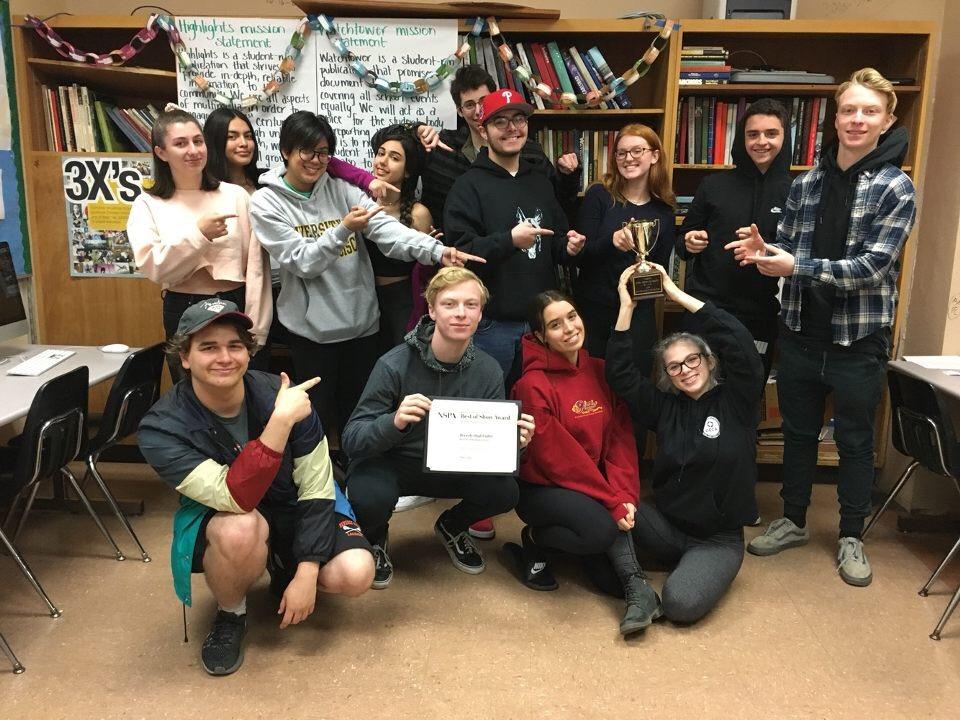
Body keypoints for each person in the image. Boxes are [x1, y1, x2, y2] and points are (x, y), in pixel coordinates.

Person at [730, 69, 917, 587]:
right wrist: (763, 251)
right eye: (850, 110)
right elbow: (789, 246)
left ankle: (851, 534)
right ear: (836, 119)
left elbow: (872, 267)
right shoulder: (808, 182)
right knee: (797, 432)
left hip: (858, 340)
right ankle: (792, 518)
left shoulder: (896, 187)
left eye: (870, 112)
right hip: (801, 332)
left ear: (887, 121)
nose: (858, 120)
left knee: (855, 439)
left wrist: (796, 266)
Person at [138, 298, 374, 676]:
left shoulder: (288, 396)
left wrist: (308, 571)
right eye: (208, 347)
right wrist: (279, 422)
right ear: (184, 356)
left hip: (293, 505)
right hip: (229, 518)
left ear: (248, 353)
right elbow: (236, 497)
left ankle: (285, 566)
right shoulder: (161, 428)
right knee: (242, 525)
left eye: (234, 346)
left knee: (357, 571)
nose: (224, 357)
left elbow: (316, 485)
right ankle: (231, 614)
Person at [249, 111, 481, 448]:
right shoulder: (266, 202)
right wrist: (343, 229)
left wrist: (435, 250)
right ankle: (320, 484)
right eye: (307, 151)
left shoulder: (342, 187)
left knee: (358, 413)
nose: (316, 161)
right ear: (285, 151)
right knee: (315, 417)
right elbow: (302, 262)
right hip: (312, 332)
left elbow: (386, 231)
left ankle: (355, 473)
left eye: (323, 153)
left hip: (361, 325)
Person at [443, 89, 586, 540]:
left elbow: (557, 234)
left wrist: (568, 245)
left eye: (519, 120)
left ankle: (530, 487)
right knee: (488, 410)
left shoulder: (539, 177)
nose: (512, 129)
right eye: (501, 121)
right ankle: (481, 502)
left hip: (542, 324)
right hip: (495, 324)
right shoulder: (469, 184)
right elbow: (459, 252)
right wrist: (508, 240)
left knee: (537, 412)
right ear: (482, 129)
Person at [341, 268, 535, 589]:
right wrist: (394, 422)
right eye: (450, 304)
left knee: (504, 491)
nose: (461, 313)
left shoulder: (487, 370)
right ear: (431, 310)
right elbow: (352, 440)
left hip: (454, 464)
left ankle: (451, 525)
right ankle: (375, 536)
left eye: (470, 305)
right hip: (395, 461)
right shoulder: (393, 364)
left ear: (480, 312)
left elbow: (492, 451)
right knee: (367, 495)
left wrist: (515, 444)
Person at [606, 262, 763, 623]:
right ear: (668, 375)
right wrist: (626, 306)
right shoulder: (665, 408)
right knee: (608, 502)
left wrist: (674, 293)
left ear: (708, 362)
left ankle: (680, 570)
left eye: (692, 359)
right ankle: (637, 583)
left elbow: (738, 342)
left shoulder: (738, 400)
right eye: (674, 366)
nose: (686, 370)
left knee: (680, 605)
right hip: (666, 526)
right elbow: (621, 375)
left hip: (717, 540)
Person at [506, 291, 660, 635]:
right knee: (602, 530)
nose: (569, 328)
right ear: (541, 336)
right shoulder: (532, 384)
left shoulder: (602, 371)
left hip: (592, 483)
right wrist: (611, 502)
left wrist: (623, 494)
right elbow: (557, 458)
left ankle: (632, 588)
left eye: (572, 317)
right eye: (555, 325)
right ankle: (536, 538)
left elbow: (620, 439)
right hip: (544, 487)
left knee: (608, 582)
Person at [203, 107, 395, 369]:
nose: (243, 143)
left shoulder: (261, 180)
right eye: (232, 136)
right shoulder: (254, 197)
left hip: (288, 293)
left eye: (248, 135)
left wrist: (367, 180)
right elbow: (303, 261)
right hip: (242, 291)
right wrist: (344, 227)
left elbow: (329, 161)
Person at [126, 107, 271, 382]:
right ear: (161, 152)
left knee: (240, 392)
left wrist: (258, 326)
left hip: (235, 303)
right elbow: (155, 268)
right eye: (180, 144)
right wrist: (199, 235)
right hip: (182, 304)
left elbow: (256, 269)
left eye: (198, 141)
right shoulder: (148, 204)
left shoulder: (236, 196)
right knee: (190, 396)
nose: (193, 150)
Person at [678, 98, 793, 380]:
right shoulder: (713, 185)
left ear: (784, 138)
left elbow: (801, 254)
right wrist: (689, 242)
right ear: (742, 139)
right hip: (706, 309)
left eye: (771, 134)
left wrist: (766, 250)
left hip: (759, 314)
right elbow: (681, 242)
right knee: (698, 388)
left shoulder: (796, 191)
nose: (761, 142)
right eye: (753, 134)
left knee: (748, 391)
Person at [417, 64, 581, 232]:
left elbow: (559, 201)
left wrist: (568, 176)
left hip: (517, 248)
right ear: (460, 111)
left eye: (483, 101)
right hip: (455, 249)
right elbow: (396, 154)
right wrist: (415, 130)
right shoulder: (443, 147)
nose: (479, 111)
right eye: (469, 105)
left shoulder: (529, 151)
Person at [574, 123, 675, 372]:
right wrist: (612, 242)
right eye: (621, 152)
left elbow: (659, 265)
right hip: (595, 312)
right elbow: (580, 257)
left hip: (639, 315)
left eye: (637, 151)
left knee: (634, 386)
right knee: (591, 388)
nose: (628, 158)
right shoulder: (599, 196)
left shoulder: (664, 209)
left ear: (654, 155)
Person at [366, 123, 436, 351]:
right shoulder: (358, 203)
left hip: (401, 302)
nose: (382, 161)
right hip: (363, 298)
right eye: (380, 153)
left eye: (394, 157)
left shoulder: (418, 214)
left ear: (407, 171)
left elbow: (425, 272)